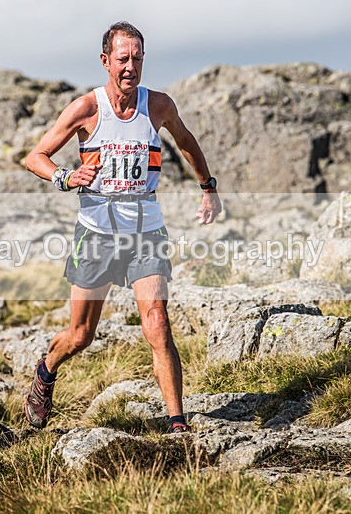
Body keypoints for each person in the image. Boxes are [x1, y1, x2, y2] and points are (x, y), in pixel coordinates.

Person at [23, 22, 223, 434]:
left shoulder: (159, 105)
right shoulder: (87, 109)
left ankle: (177, 424)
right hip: (95, 233)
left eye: (137, 58)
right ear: (105, 62)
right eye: (122, 59)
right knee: (80, 336)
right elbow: (35, 156)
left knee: (158, 321)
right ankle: (45, 372)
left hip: (145, 231)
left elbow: (186, 143)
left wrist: (208, 188)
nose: (130, 66)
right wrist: (66, 177)